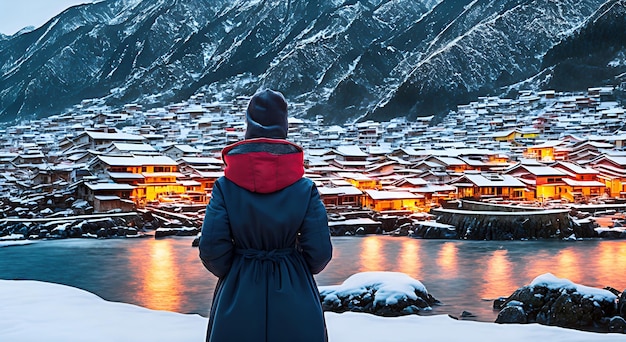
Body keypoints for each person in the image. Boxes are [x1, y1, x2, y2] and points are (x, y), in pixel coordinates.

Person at [198, 89, 333, 342]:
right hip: (295, 289)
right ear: (284, 128)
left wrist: (237, 268)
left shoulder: (224, 188)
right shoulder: (305, 189)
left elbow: (211, 249)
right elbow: (320, 253)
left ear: (248, 128)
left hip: (238, 291)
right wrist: (294, 266)